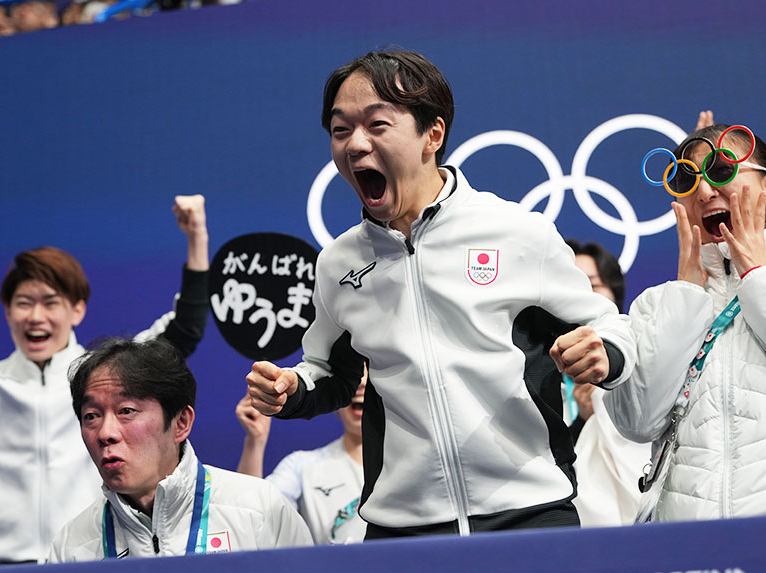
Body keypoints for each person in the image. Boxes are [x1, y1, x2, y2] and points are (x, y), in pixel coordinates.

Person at [246, 50, 636, 538]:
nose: (355, 145)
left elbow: (610, 325)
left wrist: (606, 350)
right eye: (340, 129)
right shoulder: (338, 264)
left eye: (377, 124)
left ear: (433, 134)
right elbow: (329, 373)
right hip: (401, 528)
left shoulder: (516, 232)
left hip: (531, 511)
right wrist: (291, 389)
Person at [0, 195, 210, 564]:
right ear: (7, 311)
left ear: (77, 309)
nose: (36, 316)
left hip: (86, 558)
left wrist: (197, 236)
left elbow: (185, 327)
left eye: (51, 302)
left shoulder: (105, 376)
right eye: (23, 303)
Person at [606, 123, 766, 521]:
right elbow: (636, 423)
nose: (703, 191)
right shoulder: (657, 303)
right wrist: (685, 297)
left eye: (720, 170)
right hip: (691, 542)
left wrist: (759, 278)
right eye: (687, 179)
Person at [48, 338, 312, 562]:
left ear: (181, 423)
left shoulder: (261, 510)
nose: (105, 433)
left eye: (126, 411)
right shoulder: (71, 547)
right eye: (91, 416)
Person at [563, 240, 650, 527]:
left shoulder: (643, 360)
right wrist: (582, 421)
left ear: (614, 292)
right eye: (569, 285)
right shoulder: (528, 364)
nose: (580, 296)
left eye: (592, 284)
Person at [236, 365, 367, 544]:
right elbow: (252, 517)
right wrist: (255, 441)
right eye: (356, 377)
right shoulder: (301, 466)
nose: (363, 383)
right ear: (336, 402)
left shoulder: (414, 465)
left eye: (371, 378)